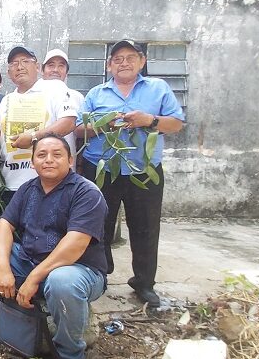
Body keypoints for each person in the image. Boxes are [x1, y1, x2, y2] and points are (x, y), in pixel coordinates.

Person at [0, 134, 108, 359]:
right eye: (41, 155)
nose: (49, 160)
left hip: (79, 269)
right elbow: (5, 225)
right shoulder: (28, 188)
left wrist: (34, 278)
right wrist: (4, 268)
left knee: (62, 282)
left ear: (70, 160)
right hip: (28, 259)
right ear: (33, 161)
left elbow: (75, 244)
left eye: (57, 154)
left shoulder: (86, 192)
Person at [77, 39, 185, 307]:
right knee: (97, 224)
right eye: (118, 58)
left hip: (144, 170)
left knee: (145, 227)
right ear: (109, 64)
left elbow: (176, 124)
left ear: (142, 62)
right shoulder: (96, 93)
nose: (124, 62)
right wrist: (104, 124)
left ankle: (144, 282)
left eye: (130, 57)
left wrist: (150, 121)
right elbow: (80, 129)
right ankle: (98, 274)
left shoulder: (158, 89)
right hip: (101, 169)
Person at [0, 46, 78, 205]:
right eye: (14, 63)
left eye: (25, 61)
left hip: (50, 181)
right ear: (9, 72)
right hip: (11, 182)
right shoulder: (7, 99)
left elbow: (68, 122)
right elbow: (0, 133)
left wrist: (33, 137)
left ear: (37, 67)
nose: (19, 66)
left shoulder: (54, 88)